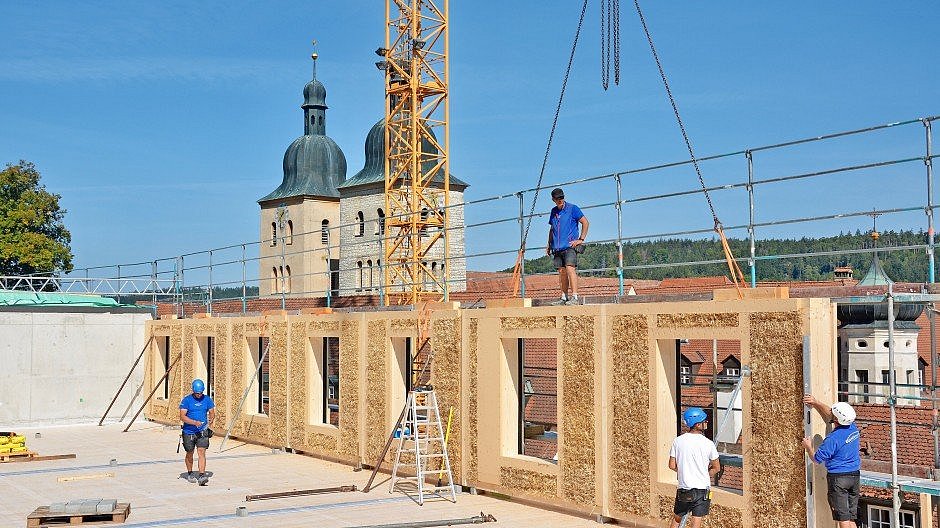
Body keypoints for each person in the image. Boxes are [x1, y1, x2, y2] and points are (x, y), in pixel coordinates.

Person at [802, 394, 861, 528]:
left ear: (837, 420)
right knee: (851, 518)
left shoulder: (833, 439)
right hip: (854, 477)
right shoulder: (853, 428)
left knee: (842, 518)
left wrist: (808, 447)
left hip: (838, 479)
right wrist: (816, 402)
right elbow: (832, 413)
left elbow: (816, 459)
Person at [668, 407, 720, 528]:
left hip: (684, 488)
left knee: (677, 519)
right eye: (704, 420)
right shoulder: (708, 443)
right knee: (696, 523)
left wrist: (684, 471)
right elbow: (716, 467)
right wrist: (704, 473)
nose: (707, 422)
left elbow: (671, 465)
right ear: (697, 424)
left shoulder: (678, 441)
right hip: (702, 489)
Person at [546, 187, 589, 306]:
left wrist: (581, 239)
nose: (560, 200)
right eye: (558, 198)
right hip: (557, 247)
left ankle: (575, 297)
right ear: (553, 199)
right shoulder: (553, 211)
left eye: (562, 197)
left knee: (570, 268)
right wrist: (549, 245)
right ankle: (564, 297)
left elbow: (585, 222)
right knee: (562, 271)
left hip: (570, 246)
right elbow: (552, 229)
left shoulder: (573, 208)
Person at [180, 379, 215, 485]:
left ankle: (202, 475)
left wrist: (211, 420)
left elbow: (212, 412)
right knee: (189, 452)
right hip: (189, 431)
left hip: (202, 431)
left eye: (200, 393)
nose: (199, 395)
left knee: (201, 452)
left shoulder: (207, 400)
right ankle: (190, 473)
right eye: (197, 393)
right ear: (193, 391)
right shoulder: (186, 400)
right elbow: (182, 416)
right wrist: (194, 422)